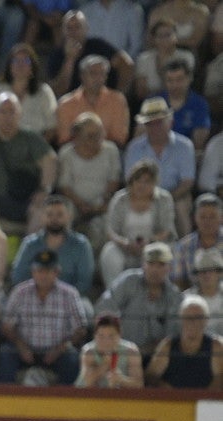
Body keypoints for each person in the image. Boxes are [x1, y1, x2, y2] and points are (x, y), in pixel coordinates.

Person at [0, 91, 56, 232]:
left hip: (26, 198)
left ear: (19, 114)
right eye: (2, 112)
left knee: (41, 212)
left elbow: (49, 162)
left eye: (12, 112)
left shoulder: (31, 138)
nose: (7, 117)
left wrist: (44, 189)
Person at [0, 248, 87, 384]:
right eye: (39, 271)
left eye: (48, 271)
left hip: (58, 351)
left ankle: (67, 402)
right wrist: (21, 345)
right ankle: (5, 400)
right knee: (6, 354)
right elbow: (6, 326)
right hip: (24, 348)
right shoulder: (20, 292)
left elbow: (80, 329)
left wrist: (60, 348)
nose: (43, 275)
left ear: (57, 272)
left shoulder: (69, 294)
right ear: (32, 272)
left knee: (72, 358)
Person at [97, 241, 183, 361]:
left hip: (157, 356)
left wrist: (150, 349)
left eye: (161, 265)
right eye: (151, 263)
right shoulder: (128, 281)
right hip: (121, 351)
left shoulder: (175, 296)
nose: (155, 270)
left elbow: (172, 335)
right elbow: (105, 307)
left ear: (169, 268)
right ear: (143, 264)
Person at [124, 97, 196, 236]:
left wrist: (165, 198)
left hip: (175, 195)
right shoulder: (134, 148)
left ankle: (184, 249)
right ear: (144, 126)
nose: (155, 127)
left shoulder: (185, 146)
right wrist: (148, 197)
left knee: (181, 206)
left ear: (170, 122)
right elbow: (130, 180)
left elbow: (187, 182)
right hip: (141, 195)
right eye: (150, 124)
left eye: (159, 122)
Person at [100, 159, 177, 285]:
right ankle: (115, 292)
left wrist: (150, 243)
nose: (142, 185)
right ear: (132, 182)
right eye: (138, 180)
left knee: (166, 251)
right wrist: (125, 244)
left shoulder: (164, 199)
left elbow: (167, 229)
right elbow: (111, 231)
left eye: (147, 181)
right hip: (125, 247)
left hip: (154, 244)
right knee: (109, 252)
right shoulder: (120, 199)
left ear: (154, 183)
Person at [58, 112, 123, 252]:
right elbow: (65, 186)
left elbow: (113, 182)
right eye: (91, 136)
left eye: (100, 134)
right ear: (77, 137)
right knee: (63, 216)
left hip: (101, 204)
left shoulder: (111, 150)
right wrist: (81, 204)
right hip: (74, 203)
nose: (97, 139)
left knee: (105, 223)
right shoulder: (66, 154)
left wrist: (100, 205)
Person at [11, 195, 95, 296]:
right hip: (33, 297)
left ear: (69, 216)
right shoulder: (30, 244)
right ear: (42, 217)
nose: (54, 219)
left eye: (59, 215)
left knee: (86, 310)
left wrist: (62, 297)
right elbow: (18, 277)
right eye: (49, 214)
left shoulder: (81, 244)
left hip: (70, 298)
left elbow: (84, 281)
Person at [44, 8, 134, 97]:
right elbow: (58, 91)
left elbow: (126, 64)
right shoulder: (56, 55)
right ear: (63, 31)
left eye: (77, 27)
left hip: (104, 100)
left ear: (86, 29)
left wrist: (118, 95)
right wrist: (69, 59)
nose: (73, 32)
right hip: (72, 105)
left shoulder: (98, 46)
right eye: (69, 28)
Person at [146, 295, 223, 388]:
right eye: (188, 317)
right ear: (180, 319)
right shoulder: (168, 345)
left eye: (198, 317)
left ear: (206, 320)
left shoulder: (216, 346)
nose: (192, 322)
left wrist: (199, 399)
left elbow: (220, 380)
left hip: (206, 401)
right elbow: (151, 376)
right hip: (173, 400)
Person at [55, 55, 128, 147]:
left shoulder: (117, 100)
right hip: (76, 152)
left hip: (106, 150)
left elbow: (119, 138)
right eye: (93, 73)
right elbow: (64, 139)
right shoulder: (66, 103)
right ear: (82, 75)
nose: (98, 78)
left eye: (102, 74)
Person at [75, 312, 143, 388]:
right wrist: (105, 364)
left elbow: (139, 384)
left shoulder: (131, 351)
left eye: (111, 336)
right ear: (95, 336)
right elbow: (87, 382)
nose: (106, 341)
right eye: (101, 336)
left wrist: (121, 379)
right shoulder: (88, 351)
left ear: (119, 335)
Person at [162, 58, 211, 157]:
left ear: (189, 78)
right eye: (170, 80)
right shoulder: (154, 101)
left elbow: (199, 141)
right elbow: (140, 134)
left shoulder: (199, 104)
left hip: (187, 155)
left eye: (179, 79)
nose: (175, 85)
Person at [173, 193, 223, 288]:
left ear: (221, 217)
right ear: (194, 218)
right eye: (202, 217)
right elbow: (178, 282)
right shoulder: (183, 246)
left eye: (212, 216)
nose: (207, 221)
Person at [185, 246, 223, 332]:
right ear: (197, 275)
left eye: (211, 270)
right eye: (203, 271)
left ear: (219, 273)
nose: (207, 275)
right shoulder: (186, 299)